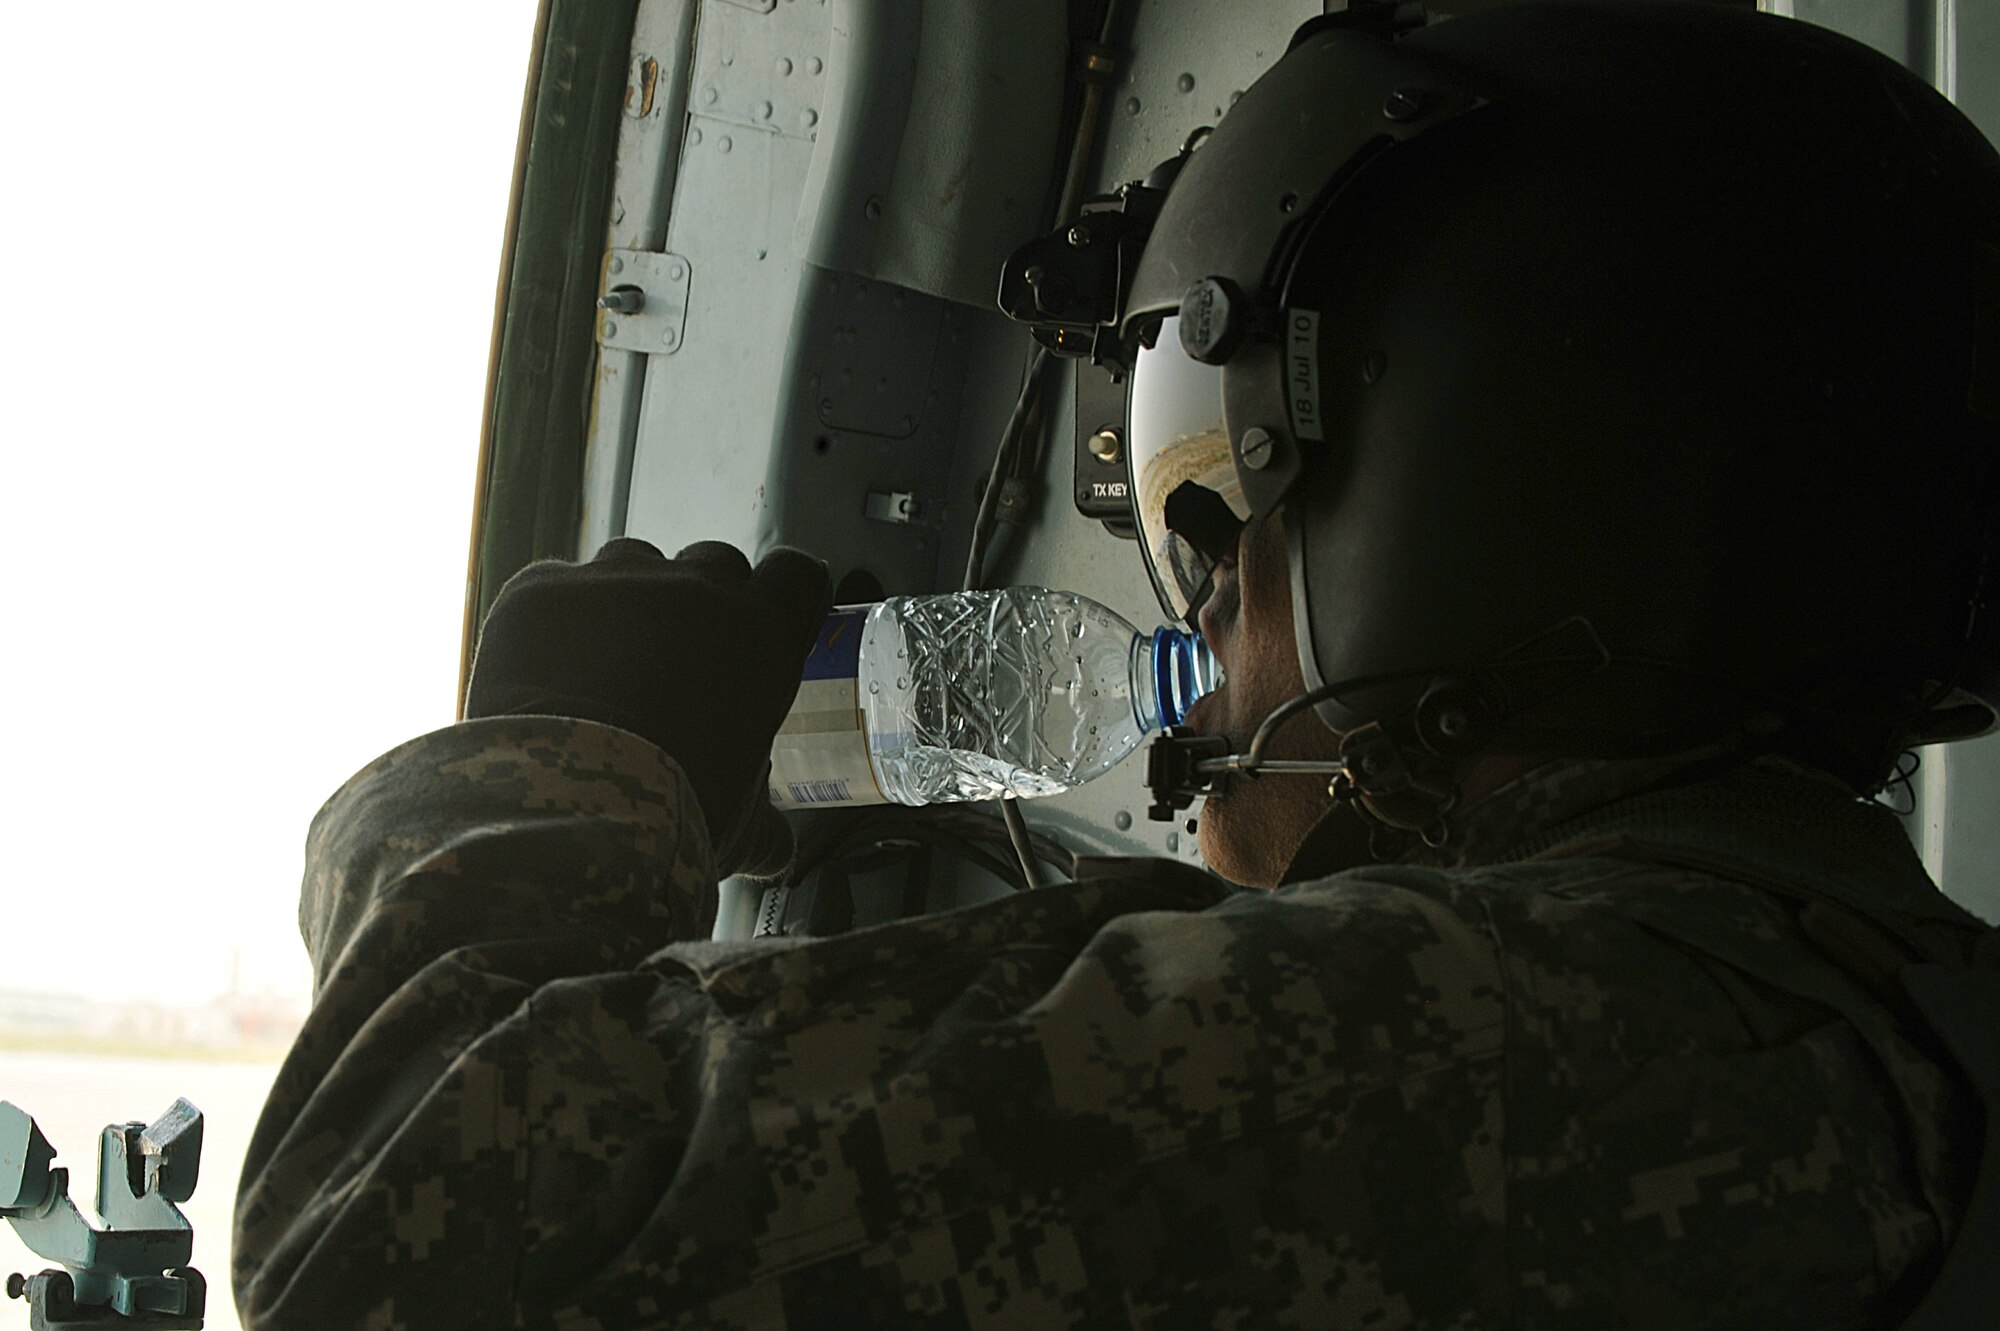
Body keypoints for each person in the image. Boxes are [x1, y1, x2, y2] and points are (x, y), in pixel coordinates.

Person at [234, 3, 2000, 1328]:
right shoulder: (1843, 1019)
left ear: (1489, 475)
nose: (1197, 593)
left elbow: (401, 1239)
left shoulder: (1567, 1030)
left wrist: (558, 757)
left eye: (1223, 492)